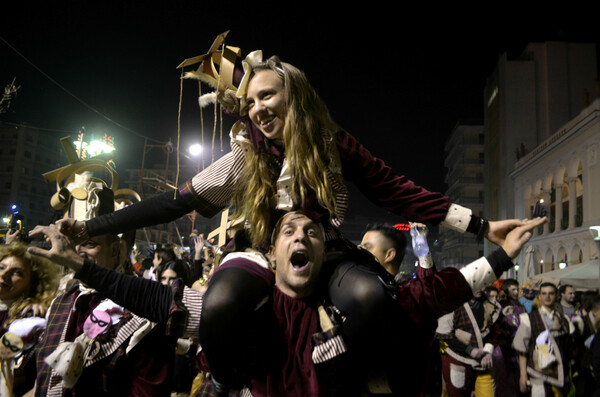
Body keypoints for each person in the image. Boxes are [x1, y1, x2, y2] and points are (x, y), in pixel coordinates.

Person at [49, 42, 529, 392]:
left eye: (268, 96)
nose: (257, 109)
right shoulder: (245, 157)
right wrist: (89, 228)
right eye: (251, 101)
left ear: (294, 94)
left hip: (333, 255)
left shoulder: (333, 146)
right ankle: (233, 380)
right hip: (259, 255)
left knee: (371, 300)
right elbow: (176, 203)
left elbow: (395, 190)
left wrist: (483, 228)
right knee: (216, 306)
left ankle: (333, 370)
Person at [29, 211, 547, 397]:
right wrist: (77, 264)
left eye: (312, 231)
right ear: (271, 254)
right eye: (289, 231)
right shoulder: (243, 311)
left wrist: (501, 255)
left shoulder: (347, 308)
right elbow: (154, 297)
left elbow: (432, 293)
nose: (301, 236)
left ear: (323, 252)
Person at [29, 184, 177, 397]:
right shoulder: (62, 300)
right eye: (72, 243)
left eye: (88, 244)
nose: (76, 251)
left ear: (116, 250)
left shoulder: (143, 310)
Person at [0, 242, 59, 397]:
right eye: (1, 267)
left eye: (17, 272)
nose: (4, 275)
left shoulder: (28, 319)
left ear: (33, 284)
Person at [435, 287, 507, 397]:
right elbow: (443, 334)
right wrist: (469, 350)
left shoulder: (491, 304)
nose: (480, 286)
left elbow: (496, 331)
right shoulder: (452, 303)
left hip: (484, 362)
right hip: (458, 360)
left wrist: (488, 350)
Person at [512, 282, 576, 396]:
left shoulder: (564, 320)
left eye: (551, 293)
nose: (547, 296)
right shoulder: (529, 318)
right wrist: (523, 376)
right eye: (544, 293)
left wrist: (569, 375)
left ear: (557, 296)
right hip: (538, 374)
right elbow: (522, 350)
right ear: (539, 296)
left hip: (560, 374)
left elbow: (568, 351)